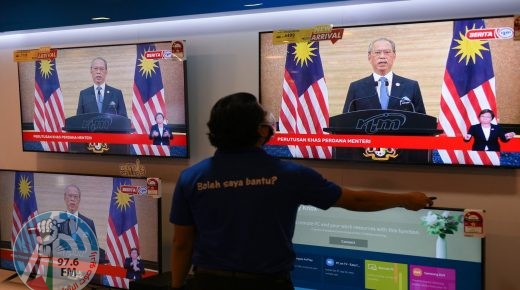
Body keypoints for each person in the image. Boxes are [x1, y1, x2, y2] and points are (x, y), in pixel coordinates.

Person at [169, 92, 434, 290]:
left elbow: (182, 243)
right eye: (265, 116)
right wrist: (404, 199)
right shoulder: (289, 174)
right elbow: (353, 199)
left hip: (207, 282)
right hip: (268, 284)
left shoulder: (191, 177)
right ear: (262, 131)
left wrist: (176, 286)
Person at [342, 37, 425, 114]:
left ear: (394, 56)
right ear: (369, 57)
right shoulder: (356, 87)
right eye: (377, 52)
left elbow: (422, 121)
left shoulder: (411, 86)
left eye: (387, 52)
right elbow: (346, 121)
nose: (382, 56)